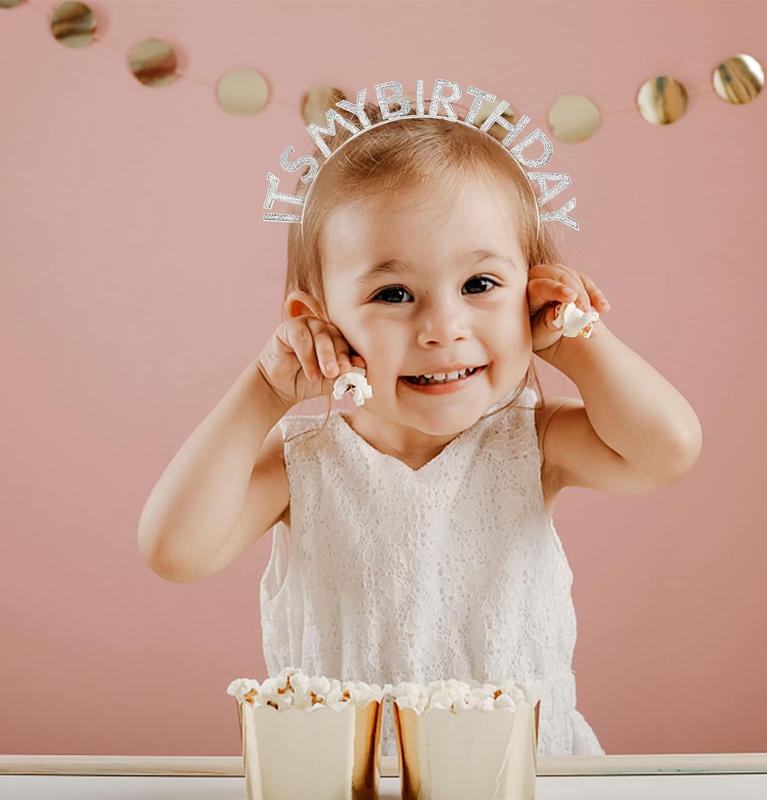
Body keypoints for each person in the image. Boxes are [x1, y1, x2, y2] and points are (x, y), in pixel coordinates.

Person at [137, 100, 703, 758]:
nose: (442, 328)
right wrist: (262, 393)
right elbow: (174, 551)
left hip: (525, 774)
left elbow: (668, 451)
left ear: (534, 294)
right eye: (394, 294)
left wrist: (578, 344)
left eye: (481, 283)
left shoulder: (533, 443)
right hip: (346, 779)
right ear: (316, 318)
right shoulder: (304, 462)